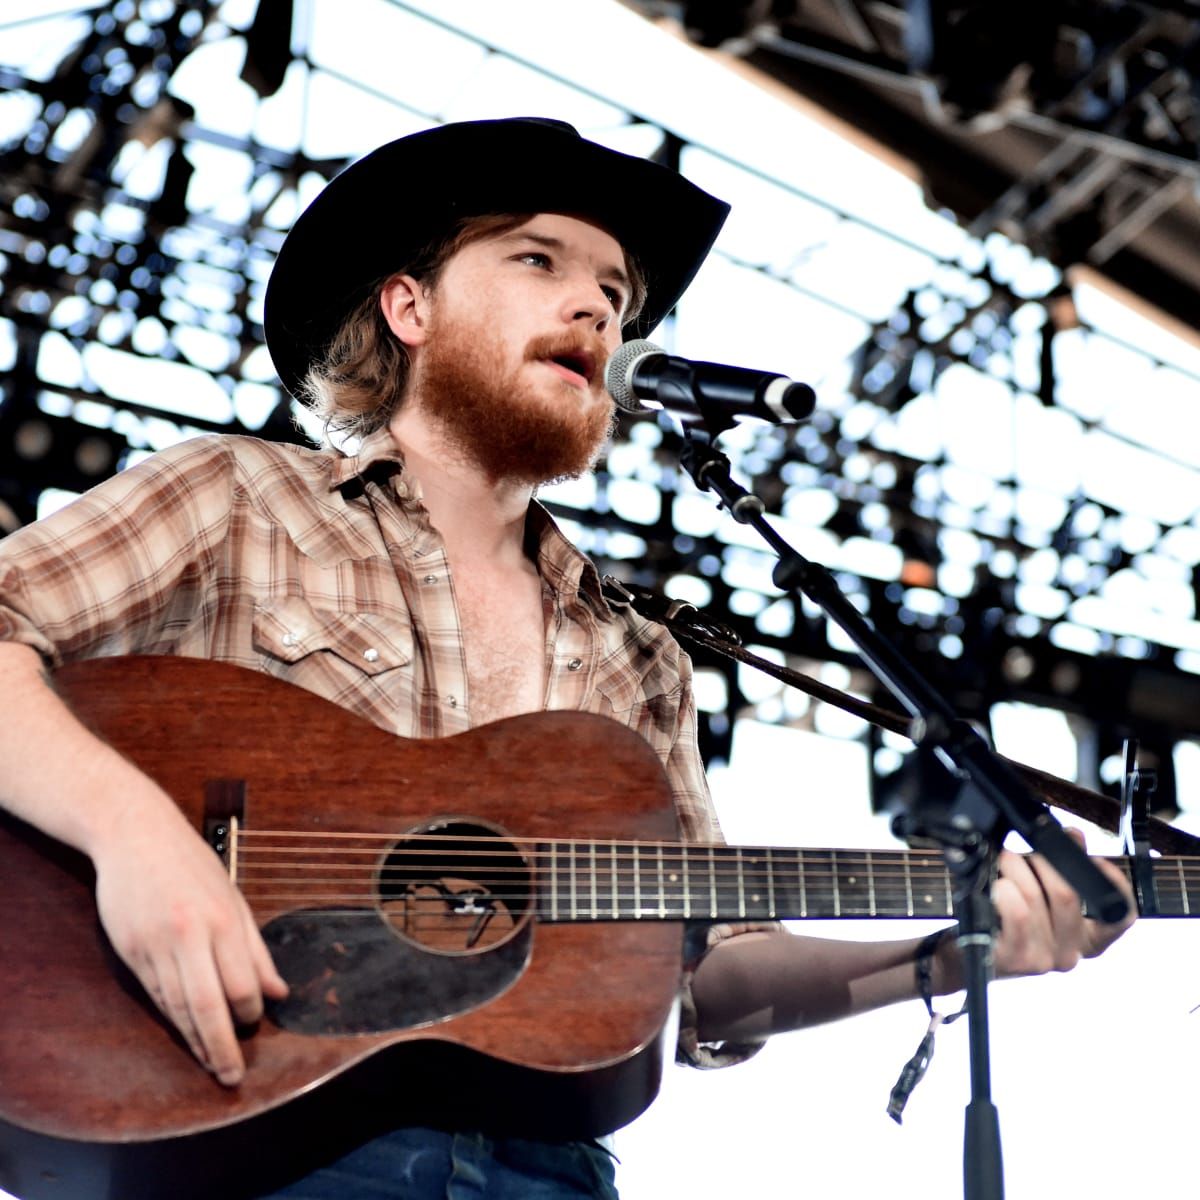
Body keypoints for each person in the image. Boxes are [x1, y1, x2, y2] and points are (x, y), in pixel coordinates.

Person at [0, 117, 1135, 1198]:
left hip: (546, 1170)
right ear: (409, 306)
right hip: (245, 1142)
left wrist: (957, 953)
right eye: (540, 259)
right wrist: (135, 835)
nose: (595, 304)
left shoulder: (635, 654)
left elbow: (708, 976)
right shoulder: (237, 500)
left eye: (617, 293)